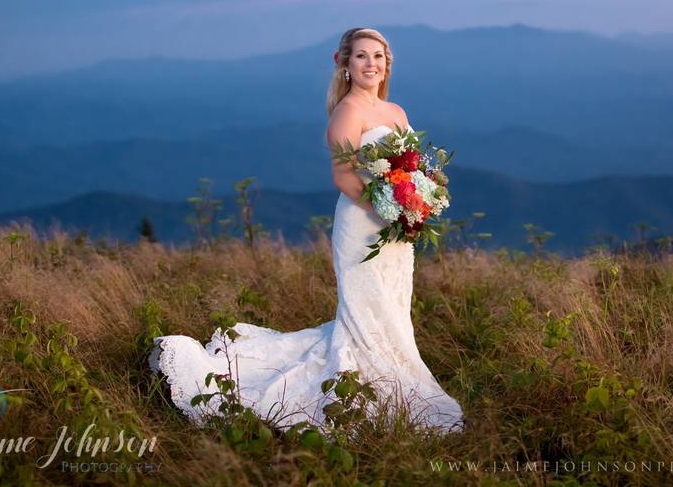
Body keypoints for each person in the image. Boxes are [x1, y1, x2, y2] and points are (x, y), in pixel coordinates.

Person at [148, 27, 465, 436]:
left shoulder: (397, 112)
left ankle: (396, 371)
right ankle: (362, 384)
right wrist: (389, 211)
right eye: (362, 57)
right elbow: (344, 177)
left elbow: (412, 168)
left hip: (395, 230)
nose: (371, 64)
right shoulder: (348, 112)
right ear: (346, 64)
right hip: (364, 226)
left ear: (387, 65)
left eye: (378, 57)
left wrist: (418, 202)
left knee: (392, 304)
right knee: (365, 309)